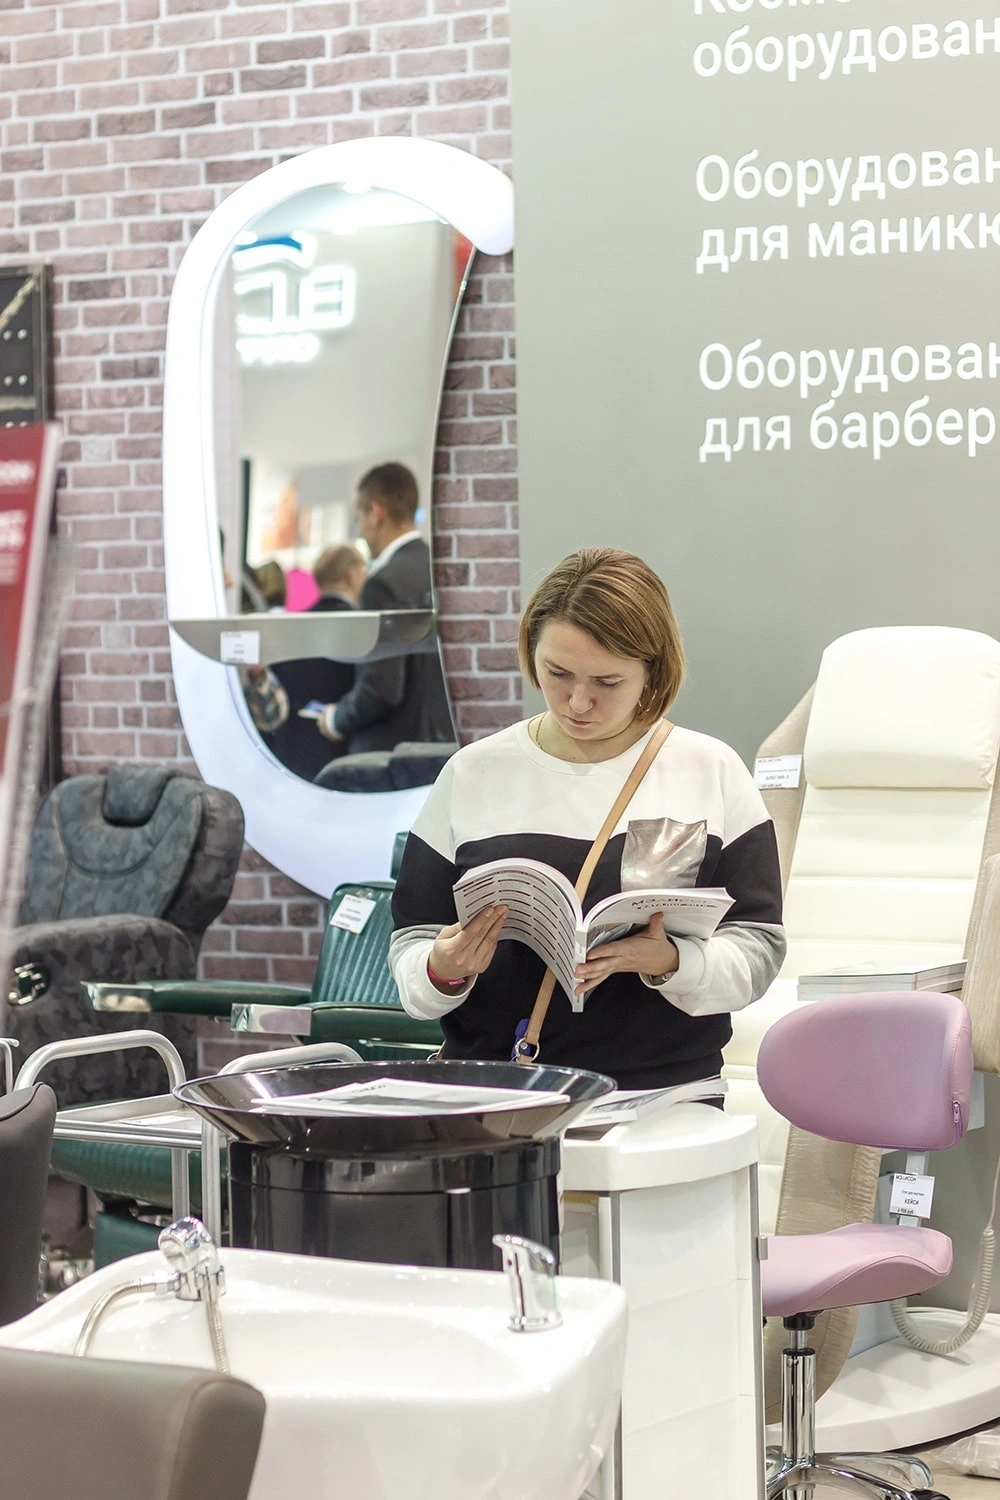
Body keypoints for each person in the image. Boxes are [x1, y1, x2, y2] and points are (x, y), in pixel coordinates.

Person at [389, 547, 786, 1091]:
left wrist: (674, 962)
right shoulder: (473, 773)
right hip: (493, 1092)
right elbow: (411, 945)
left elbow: (759, 950)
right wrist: (443, 968)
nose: (578, 702)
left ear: (652, 671)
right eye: (558, 673)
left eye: (607, 682)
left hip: (662, 1096)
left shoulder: (710, 771)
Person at [316, 462, 455, 754]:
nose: (360, 531)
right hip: (442, 741)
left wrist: (336, 719)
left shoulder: (382, 583)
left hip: (390, 751)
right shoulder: (441, 569)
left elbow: (381, 688)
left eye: (358, 520)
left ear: (375, 513)